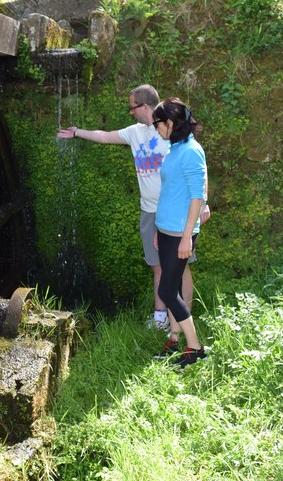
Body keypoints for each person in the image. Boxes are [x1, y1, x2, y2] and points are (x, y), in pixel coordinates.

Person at [56, 84, 208, 331]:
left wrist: (204, 202)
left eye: (132, 107)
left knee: (182, 267)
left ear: (145, 106)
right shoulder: (134, 132)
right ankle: (161, 317)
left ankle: (183, 317)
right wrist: (77, 132)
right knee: (157, 266)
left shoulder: (171, 130)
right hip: (150, 212)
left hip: (178, 211)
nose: (130, 112)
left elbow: (197, 170)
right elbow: (105, 136)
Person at [151, 97, 208, 367]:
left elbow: (198, 196)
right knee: (169, 288)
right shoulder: (175, 149)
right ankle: (174, 340)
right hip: (166, 230)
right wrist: (158, 229)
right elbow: (171, 192)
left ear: (171, 122)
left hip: (179, 234)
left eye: (157, 124)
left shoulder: (192, 151)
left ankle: (195, 348)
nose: (155, 129)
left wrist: (187, 235)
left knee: (167, 288)